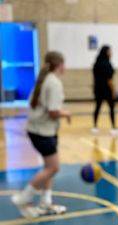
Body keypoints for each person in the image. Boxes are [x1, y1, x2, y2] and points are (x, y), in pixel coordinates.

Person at [11, 52, 71, 218]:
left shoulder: (43, 79)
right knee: (53, 167)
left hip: (39, 130)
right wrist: (65, 113)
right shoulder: (54, 83)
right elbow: (52, 112)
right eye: (64, 64)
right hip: (42, 132)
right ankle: (24, 197)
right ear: (59, 65)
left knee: (48, 168)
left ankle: (46, 203)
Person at [92, 45, 118, 135]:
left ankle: (95, 126)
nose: (111, 53)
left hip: (98, 88)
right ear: (106, 52)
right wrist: (113, 90)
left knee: (97, 107)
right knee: (111, 107)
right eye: (110, 51)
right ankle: (113, 127)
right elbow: (109, 80)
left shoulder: (96, 63)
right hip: (106, 89)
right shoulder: (107, 64)